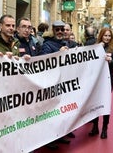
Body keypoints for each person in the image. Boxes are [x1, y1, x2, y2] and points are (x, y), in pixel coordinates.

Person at [39, 20, 71, 150]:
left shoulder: (65, 42)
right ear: (53, 30)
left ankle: (60, 135)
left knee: (60, 111)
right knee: (51, 112)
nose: (60, 32)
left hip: (62, 82)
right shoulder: (47, 44)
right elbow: (42, 59)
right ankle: (49, 139)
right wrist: (59, 52)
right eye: (57, 29)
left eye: (62, 29)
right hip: (51, 83)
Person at [88, 27, 113, 139]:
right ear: (101, 36)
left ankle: (104, 128)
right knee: (95, 103)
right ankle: (95, 126)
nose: (107, 38)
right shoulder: (96, 47)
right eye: (105, 35)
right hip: (96, 79)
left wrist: (110, 61)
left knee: (105, 103)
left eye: (109, 36)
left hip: (108, 79)